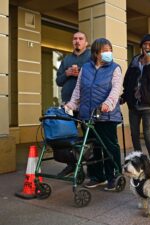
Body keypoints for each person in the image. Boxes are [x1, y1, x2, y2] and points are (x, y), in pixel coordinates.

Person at [65, 38, 124, 191]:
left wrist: (108, 104)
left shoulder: (115, 68)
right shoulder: (85, 68)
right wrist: (71, 104)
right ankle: (97, 176)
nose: (108, 53)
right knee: (92, 147)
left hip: (106, 115)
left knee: (109, 146)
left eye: (109, 50)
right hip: (87, 115)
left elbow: (115, 90)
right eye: (105, 50)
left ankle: (114, 175)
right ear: (96, 53)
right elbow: (78, 90)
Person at [121, 34, 150, 157]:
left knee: (147, 133)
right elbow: (127, 81)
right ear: (141, 46)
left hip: (148, 104)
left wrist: (149, 64)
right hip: (134, 104)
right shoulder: (134, 61)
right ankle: (139, 159)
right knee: (134, 133)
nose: (147, 47)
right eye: (145, 44)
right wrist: (125, 96)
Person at [55, 31, 90, 177]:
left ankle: (94, 169)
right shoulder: (66, 59)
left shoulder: (90, 57)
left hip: (86, 103)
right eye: (75, 39)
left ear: (85, 43)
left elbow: (95, 75)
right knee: (67, 137)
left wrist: (80, 72)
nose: (77, 41)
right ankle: (72, 165)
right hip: (68, 105)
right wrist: (68, 73)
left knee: (90, 136)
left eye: (81, 39)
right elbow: (58, 81)